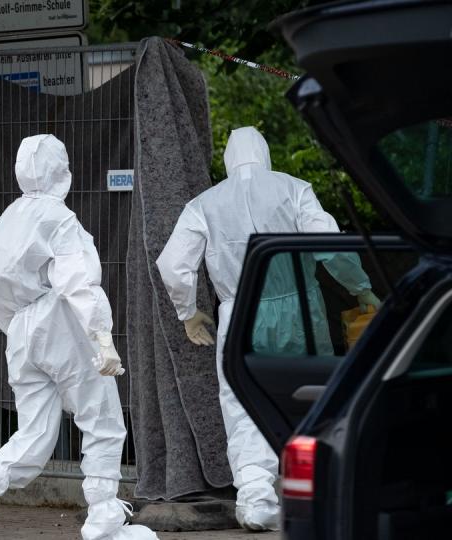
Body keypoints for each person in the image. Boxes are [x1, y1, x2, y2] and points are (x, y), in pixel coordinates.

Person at [0, 134, 157, 540]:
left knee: (34, 434)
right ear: (62, 171)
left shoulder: (6, 221)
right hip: (60, 320)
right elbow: (78, 281)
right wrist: (101, 336)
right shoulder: (58, 218)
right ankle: (105, 519)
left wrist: (22, 333)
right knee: (101, 418)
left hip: (19, 330)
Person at [156, 126, 380, 531]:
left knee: (243, 406)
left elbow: (173, 265)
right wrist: (361, 289)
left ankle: (256, 501)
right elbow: (329, 242)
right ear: (265, 153)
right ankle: (318, 494)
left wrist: (188, 312)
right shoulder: (294, 188)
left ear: (227, 158)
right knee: (311, 398)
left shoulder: (204, 204)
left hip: (240, 315)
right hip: (300, 310)